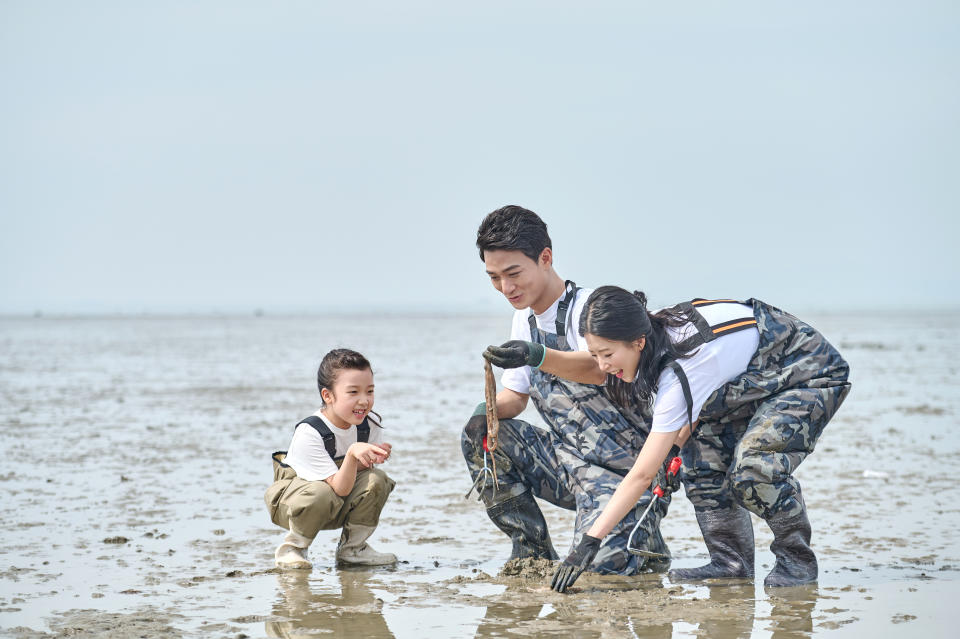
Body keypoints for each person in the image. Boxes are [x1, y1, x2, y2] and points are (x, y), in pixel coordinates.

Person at [484, 286, 851, 592]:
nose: (604, 367)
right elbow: (691, 410)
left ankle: (797, 562)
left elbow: (641, 475)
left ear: (638, 342)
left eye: (608, 355)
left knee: (754, 469)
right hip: (743, 379)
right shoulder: (649, 332)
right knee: (699, 463)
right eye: (596, 354)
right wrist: (675, 450)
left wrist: (587, 544)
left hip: (805, 372)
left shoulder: (678, 370)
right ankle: (730, 564)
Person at [461, 206, 674, 576]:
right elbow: (516, 398)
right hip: (569, 464)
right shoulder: (523, 318)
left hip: (628, 472)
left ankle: (642, 539)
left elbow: (599, 371)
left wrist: (537, 354)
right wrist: (484, 413)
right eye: (494, 277)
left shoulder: (590, 309)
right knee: (484, 437)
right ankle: (532, 551)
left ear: (546, 258)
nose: (505, 288)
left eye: (513, 273)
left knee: (600, 575)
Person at [264, 348, 397, 569]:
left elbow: (359, 479)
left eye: (370, 391)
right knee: (321, 491)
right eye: (353, 392)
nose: (364, 401)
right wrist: (354, 451)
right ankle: (293, 549)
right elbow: (340, 489)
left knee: (377, 479)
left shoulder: (368, 423)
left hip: (335, 500)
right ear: (328, 395)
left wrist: (372, 457)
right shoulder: (311, 431)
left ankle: (353, 549)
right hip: (295, 504)